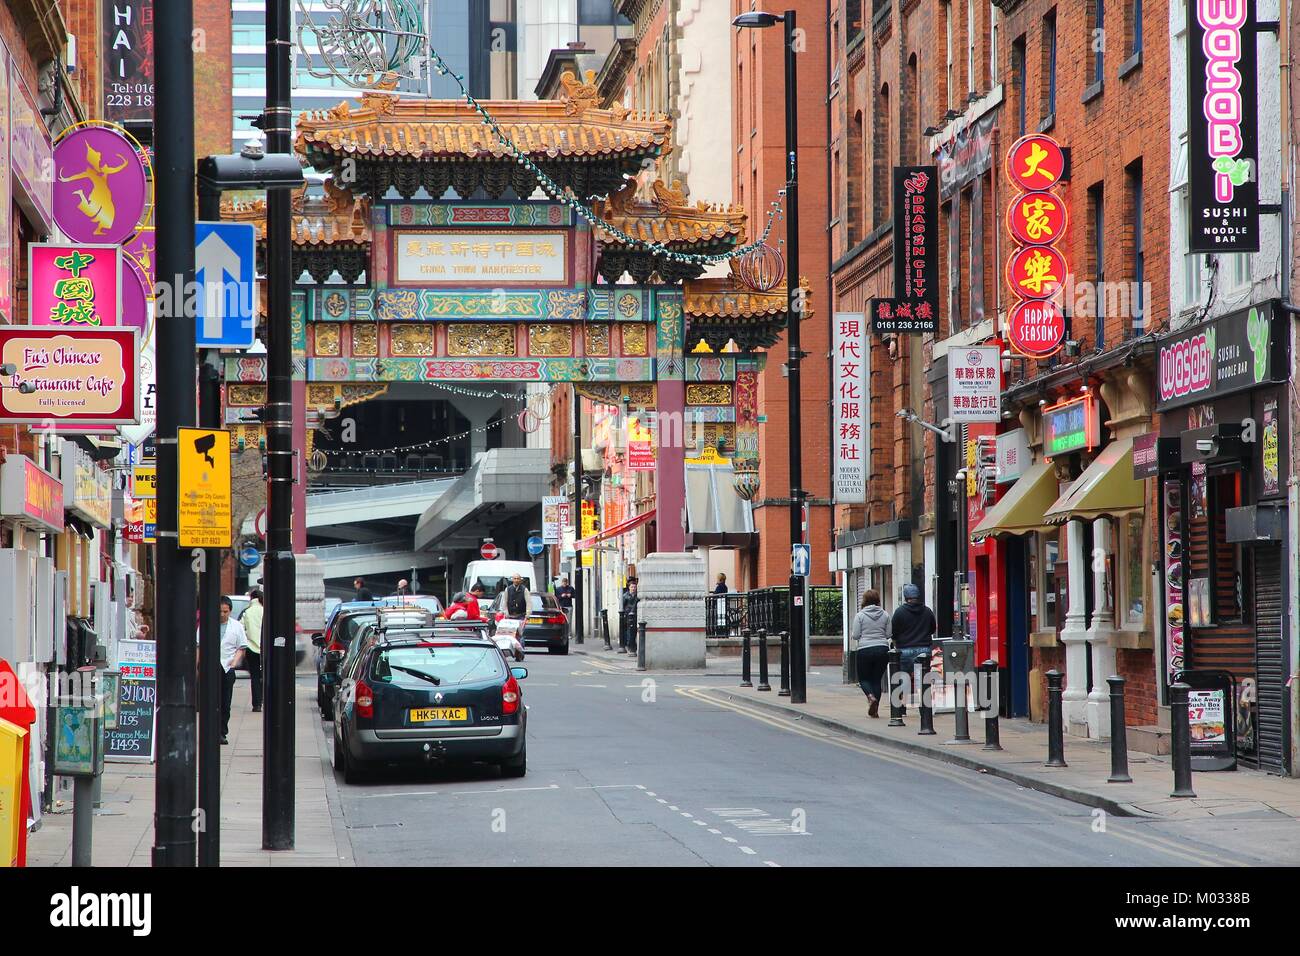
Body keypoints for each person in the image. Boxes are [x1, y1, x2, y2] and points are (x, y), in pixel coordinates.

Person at [891, 583, 937, 708]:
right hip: (924, 649)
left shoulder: (899, 612)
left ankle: (903, 707)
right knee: (923, 679)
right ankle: (925, 708)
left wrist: (896, 642)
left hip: (904, 649)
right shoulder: (927, 611)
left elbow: (893, 631)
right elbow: (933, 628)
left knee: (904, 678)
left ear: (906, 597)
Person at [851, 589, 891, 718]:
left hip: (865, 649)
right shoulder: (885, 614)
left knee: (864, 679)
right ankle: (876, 709)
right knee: (876, 680)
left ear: (865, 600)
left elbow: (856, 635)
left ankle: (870, 697)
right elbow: (889, 634)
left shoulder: (860, 615)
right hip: (882, 649)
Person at [217, 596, 249, 745]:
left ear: (230, 611)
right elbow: (199, 646)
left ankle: (222, 732)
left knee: (225, 702)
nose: (222, 614)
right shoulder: (207, 623)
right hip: (211, 667)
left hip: (227, 667)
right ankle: (210, 730)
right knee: (210, 701)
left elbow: (241, 647)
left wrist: (234, 663)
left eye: (225, 611)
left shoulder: (236, 626)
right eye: (220, 611)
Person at [240, 588, 264, 713]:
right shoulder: (266, 610)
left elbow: (241, 627)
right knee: (265, 676)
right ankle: (264, 699)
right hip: (265, 649)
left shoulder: (247, 612)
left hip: (251, 648)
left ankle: (257, 704)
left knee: (254, 676)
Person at [621, 580, 640, 652]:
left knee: (634, 631)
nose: (633, 588)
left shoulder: (638, 596)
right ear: (629, 588)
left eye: (635, 587)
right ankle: (629, 645)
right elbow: (623, 606)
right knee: (629, 631)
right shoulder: (625, 596)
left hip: (635, 615)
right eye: (632, 587)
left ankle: (633, 645)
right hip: (628, 615)